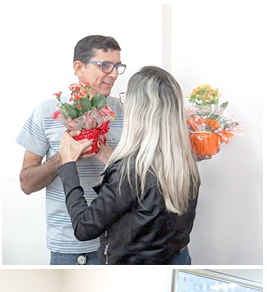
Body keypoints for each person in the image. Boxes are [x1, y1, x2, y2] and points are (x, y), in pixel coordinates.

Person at [58, 66, 199, 265]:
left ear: (139, 110)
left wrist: (67, 163)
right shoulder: (185, 164)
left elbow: (83, 228)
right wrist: (113, 159)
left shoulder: (131, 174)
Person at [16, 35, 125, 264]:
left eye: (117, 66)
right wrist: (63, 158)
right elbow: (26, 184)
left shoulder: (127, 112)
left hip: (120, 242)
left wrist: (111, 157)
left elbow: (142, 175)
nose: (114, 74)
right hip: (70, 247)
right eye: (105, 65)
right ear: (79, 67)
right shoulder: (46, 112)